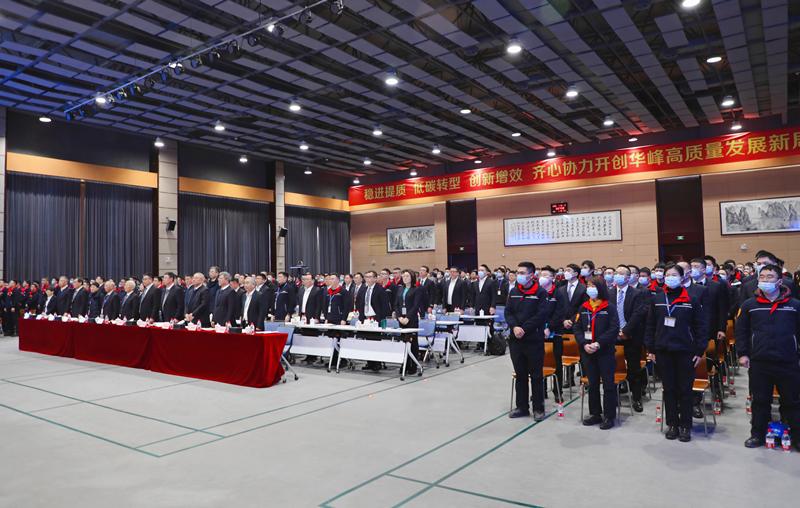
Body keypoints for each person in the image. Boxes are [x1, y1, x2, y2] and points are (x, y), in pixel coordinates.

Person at [735, 264, 800, 450]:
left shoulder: (794, 305)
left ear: (779, 281)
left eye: (770, 277)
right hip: (760, 361)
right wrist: (743, 353)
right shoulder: (750, 305)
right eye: (762, 277)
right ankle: (757, 434)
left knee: (792, 401)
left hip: (788, 361)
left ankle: (797, 436)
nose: (765, 280)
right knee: (760, 401)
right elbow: (741, 331)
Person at [644, 263, 707, 443]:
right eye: (667, 275)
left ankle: (685, 425)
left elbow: (701, 327)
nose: (670, 278)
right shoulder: (657, 298)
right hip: (663, 351)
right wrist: (650, 348)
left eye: (674, 275)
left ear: (682, 277)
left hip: (685, 351)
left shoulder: (691, 299)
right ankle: (672, 424)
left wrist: (699, 351)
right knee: (669, 389)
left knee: (685, 390)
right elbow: (650, 325)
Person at [574, 276, 620, 429]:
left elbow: (613, 329)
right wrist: (584, 343)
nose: (590, 288)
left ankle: (609, 416)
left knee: (608, 385)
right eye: (588, 285)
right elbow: (577, 327)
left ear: (600, 288)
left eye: (593, 286)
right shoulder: (584, 307)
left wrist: (598, 343)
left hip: (604, 351)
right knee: (592, 384)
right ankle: (595, 413)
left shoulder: (609, 307)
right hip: (587, 352)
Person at [506, 262, 549, 420]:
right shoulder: (514, 291)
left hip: (533, 340)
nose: (519, 275)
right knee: (520, 375)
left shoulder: (540, 293)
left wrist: (524, 328)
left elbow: (541, 315)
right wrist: (515, 327)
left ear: (531, 275)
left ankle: (538, 408)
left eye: (522, 273)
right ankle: (522, 407)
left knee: (536, 376)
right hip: (516, 340)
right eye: (518, 272)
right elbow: (508, 312)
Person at [609, 265, 648, 413]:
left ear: (628, 277)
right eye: (616, 273)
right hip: (613, 336)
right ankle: (614, 396)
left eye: (621, 273)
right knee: (613, 367)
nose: (617, 275)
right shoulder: (609, 292)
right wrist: (615, 331)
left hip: (631, 336)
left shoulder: (637, 293)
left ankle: (636, 398)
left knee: (634, 369)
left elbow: (638, 314)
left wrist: (625, 331)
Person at [355, 270, 390, 372]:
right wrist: (361, 317)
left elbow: (385, 306)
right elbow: (359, 303)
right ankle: (369, 363)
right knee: (367, 342)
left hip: (376, 319)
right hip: (365, 318)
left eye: (370, 277)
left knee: (375, 342)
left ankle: (377, 363)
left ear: (375, 278)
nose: (368, 279)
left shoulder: (380, 290)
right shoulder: (363, 289)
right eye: (366, 277)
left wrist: (380, 319)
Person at [394, 269, 424, 375]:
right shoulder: (400, 289)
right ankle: (405, 364)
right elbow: (396, 304)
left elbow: (416, 306)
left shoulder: (416, 289)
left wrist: (408, 317)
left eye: (407, 276)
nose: (405, 278)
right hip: (401, 319)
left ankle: (413, 365)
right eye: (403, 276)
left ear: (412, 277)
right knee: (404, 342)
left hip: (411, 320)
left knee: (413, 343)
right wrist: (399, 317)